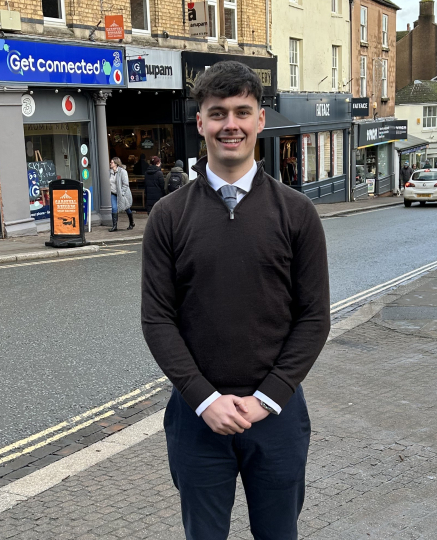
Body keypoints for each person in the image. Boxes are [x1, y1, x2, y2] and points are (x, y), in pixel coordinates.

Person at [141, 61, 330, 540]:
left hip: (277, 415)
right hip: (197, 417)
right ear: (200, 122)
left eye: (242, 112)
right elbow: (158, 320)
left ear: (260, 120)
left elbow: (313, 319)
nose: (231, 125)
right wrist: (204, 400)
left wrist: (268, 398)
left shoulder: (297, 213)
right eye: (218, 113)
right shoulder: (168, 216)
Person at [108, 157, 134, 232]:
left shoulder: (123, 172)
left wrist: (122, 193)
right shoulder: (110, 172)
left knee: (126, 208)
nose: (110, 163)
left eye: (112, 162)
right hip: (113, 193)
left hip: (122, 193)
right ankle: (114, 226)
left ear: (116, 164)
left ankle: (131, 223)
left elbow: (126, 184)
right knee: (114, 208)